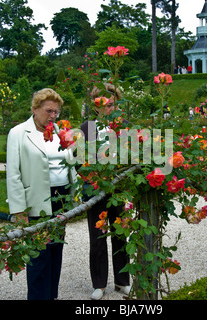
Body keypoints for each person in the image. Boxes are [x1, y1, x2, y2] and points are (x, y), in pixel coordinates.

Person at [6, 88, 77, 300]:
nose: (53, 116)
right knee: (38, 255)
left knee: (56, 251)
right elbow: (13, 173)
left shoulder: (59, 131)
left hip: (62, 198)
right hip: (36, 200)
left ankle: (51, 295)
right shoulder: (18, 133)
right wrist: (18, 209)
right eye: (49, 111)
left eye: (56, 111)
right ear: (34, 109)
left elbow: (70, 164)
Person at [80, 83, 131, 300]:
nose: (108, 108)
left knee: (120, 235)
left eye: (112, 104)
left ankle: (122, 281)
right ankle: (99, 284)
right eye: (104, 105)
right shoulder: (85, 128)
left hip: (118, 189)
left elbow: (132, 158)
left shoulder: (126, 126)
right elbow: (78, 162)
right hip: (94, 190)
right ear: (96, 105)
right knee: (97, 237)